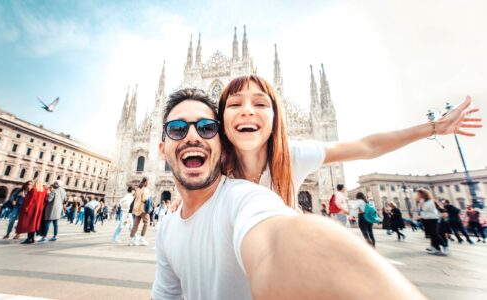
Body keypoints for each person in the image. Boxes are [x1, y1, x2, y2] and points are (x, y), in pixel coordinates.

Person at [151, 88, 424, 299]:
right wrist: (185, 201)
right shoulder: (169, 226)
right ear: (161, 148)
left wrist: (431, 128)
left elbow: (278, 239)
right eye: (177, 129)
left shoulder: (255, 187)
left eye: (206, 127)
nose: (192, 136)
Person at [217, 75, 481, 210]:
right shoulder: (209, 167)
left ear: (277, 117)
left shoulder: (293, 156)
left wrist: (433, 127)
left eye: (261, 103)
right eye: (235, 103)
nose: (248, 110)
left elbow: (368, 147)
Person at [16, 178, 48, 244]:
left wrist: (26, 204)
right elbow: (45, 200)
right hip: (39, 210)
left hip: (31, 209)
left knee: (29, 223)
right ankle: (32, 238)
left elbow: (30, 200)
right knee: (34, 223)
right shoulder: (44, 190)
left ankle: (29, 238)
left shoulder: (33, 190)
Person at [416, 188, 445, 256]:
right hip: (427, 218)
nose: (417, 195)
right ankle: (435, 248)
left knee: (434, 233)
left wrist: (421, 204)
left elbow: (425, 209)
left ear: (423, 194)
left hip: (432, 219)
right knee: (432, 234)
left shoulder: (430, 201)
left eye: (419, 194)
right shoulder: (424, 201)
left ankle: (444, 245)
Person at [129, 177, 151, 246]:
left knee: (135, 224)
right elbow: (144, 199)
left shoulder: (138, 189)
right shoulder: (146, 189)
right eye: (149, 182)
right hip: (143, 209)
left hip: (136, 208)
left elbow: (135, 197)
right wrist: (149, 199)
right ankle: (142, 238)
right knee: (147, 223)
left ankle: (132, 240)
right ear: (146, 182)